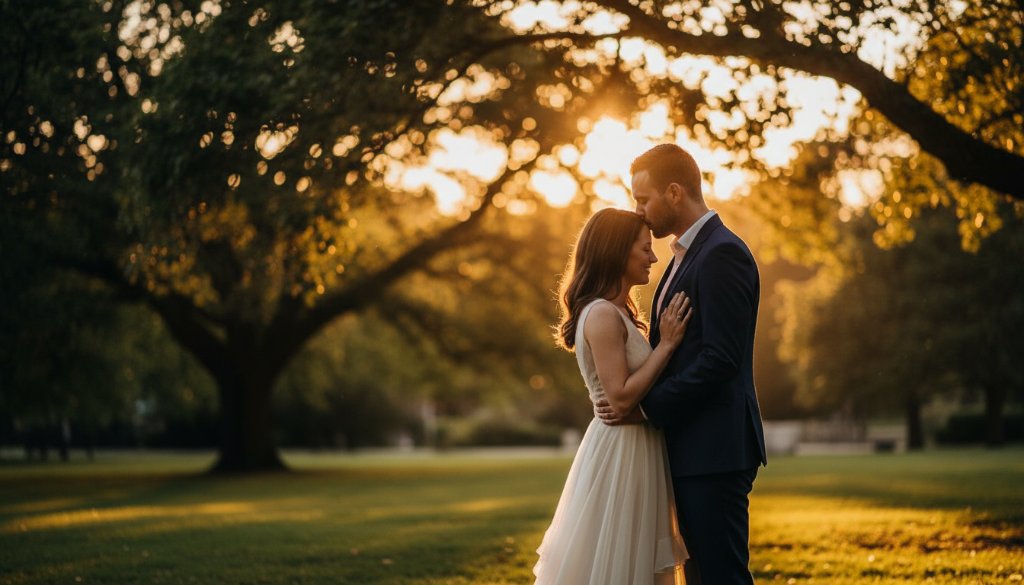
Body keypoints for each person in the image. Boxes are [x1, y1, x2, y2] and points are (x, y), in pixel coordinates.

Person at [596, 143, 768, 585]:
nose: (638, 210)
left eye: (643, 199)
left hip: (714, 450)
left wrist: (646, 408)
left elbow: (720, 359)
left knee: (720, 577)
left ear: (674, 193)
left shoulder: (721, 254)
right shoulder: (684, 256)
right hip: (688, 447)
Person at [533, 208, 692, 585]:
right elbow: (620, 399)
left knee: (634, 557)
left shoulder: (617, 311)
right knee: (618, 561)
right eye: (644, 249)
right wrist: (666, 346)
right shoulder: (602, 314)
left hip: (638, 447)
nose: (653, 257)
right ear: (617, 252)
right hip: (621, 451)